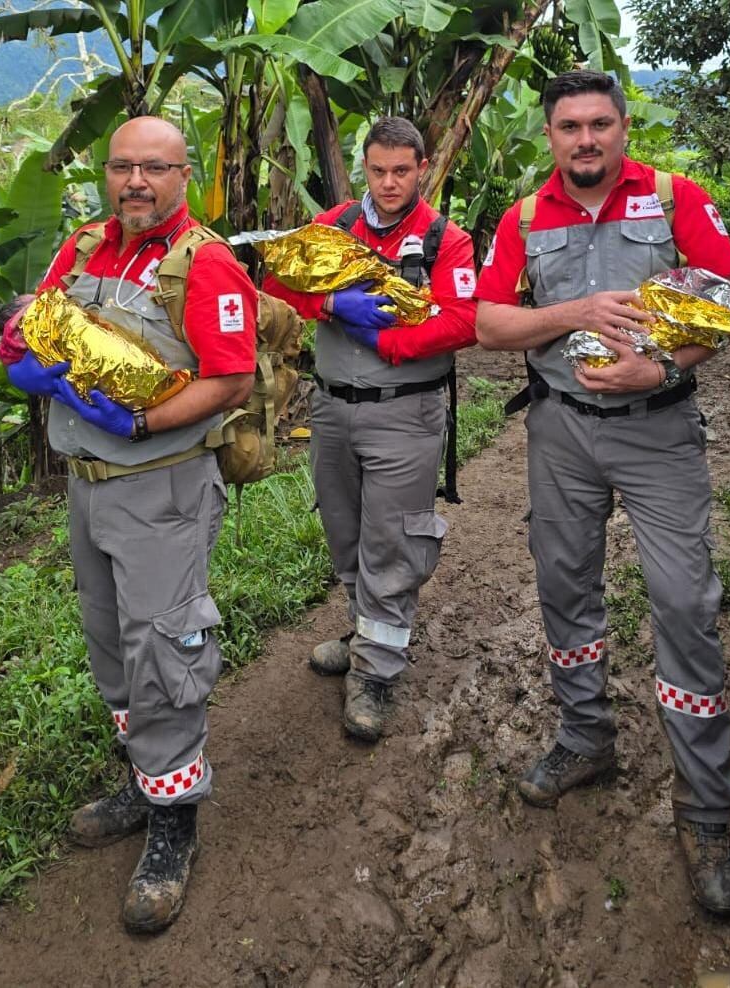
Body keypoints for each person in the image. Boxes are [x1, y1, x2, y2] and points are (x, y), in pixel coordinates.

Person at [474, 70, 730, 916]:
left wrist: (659, 364)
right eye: (568, 127)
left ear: (623, 128)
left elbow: (728, 303)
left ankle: (705, 809)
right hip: (561, 431)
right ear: (549, 135)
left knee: (682, 603)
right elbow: (487, 324)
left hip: (659, 431)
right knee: (564, 588)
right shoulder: (525, 218)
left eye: (599, 125)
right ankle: (585, 737)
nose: (584, 140)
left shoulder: (674, 198)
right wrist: (574, 309)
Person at [0, 116, 258, 933]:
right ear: (106, 175)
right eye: (122, 167)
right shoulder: (82, 249)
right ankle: (145, 772)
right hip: (86, 485)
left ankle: (174, 816)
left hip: (162, 487)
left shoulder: (205, 263)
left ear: (183, 175)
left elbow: (231, 379)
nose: (135, 181)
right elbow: (40, 323)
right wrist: (20, 351)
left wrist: (140, 426)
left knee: (164, 645)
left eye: (154, 167)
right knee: (110, 638)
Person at [263, 116, 478, 742]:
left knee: (392, 539)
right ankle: (365, 631)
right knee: (345, 530)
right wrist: (331, 304)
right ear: (364, 166)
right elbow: (277, 283)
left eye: (401, 172)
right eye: (378, 170)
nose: (389, 183)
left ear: (422, 167)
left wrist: (386, 339)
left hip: (404, 409)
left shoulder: (445, 239)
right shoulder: (334, 225)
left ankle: (377, 670)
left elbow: (464, 321)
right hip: (331, 407)